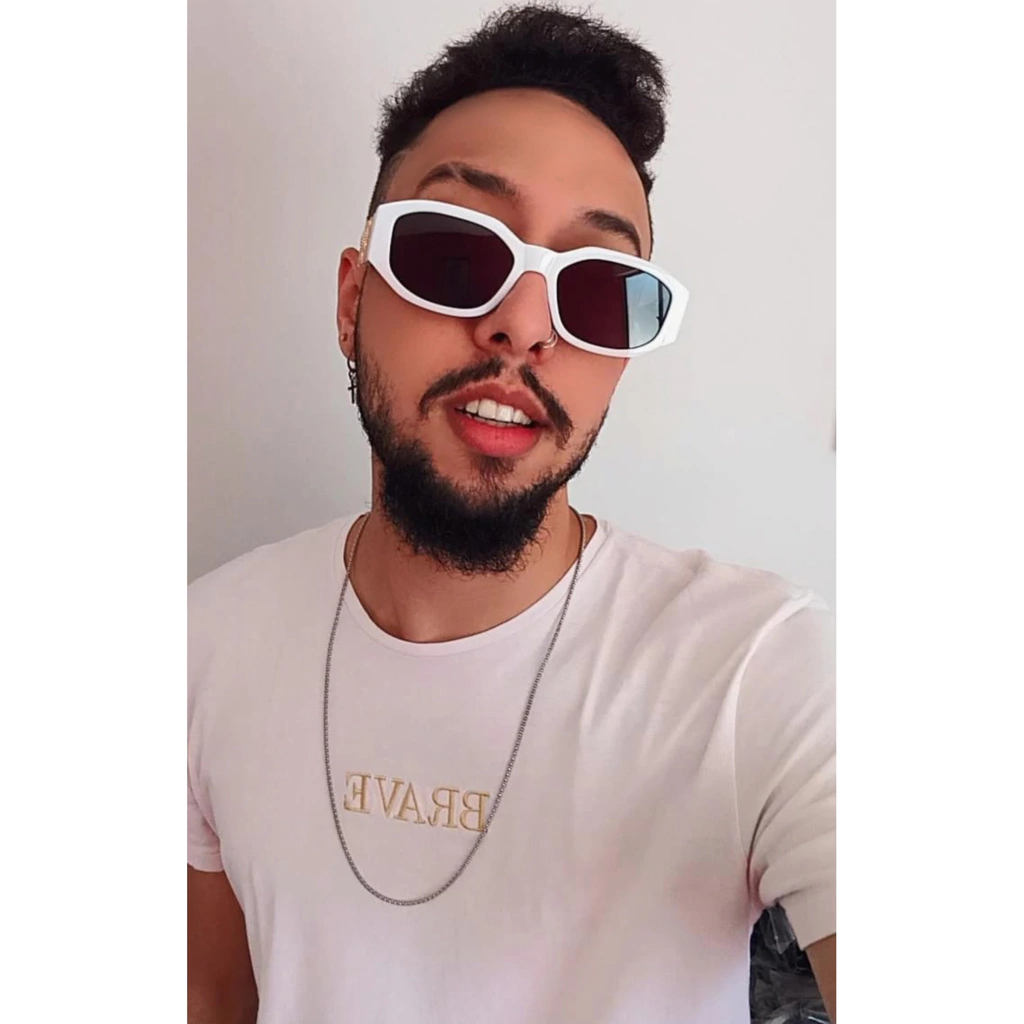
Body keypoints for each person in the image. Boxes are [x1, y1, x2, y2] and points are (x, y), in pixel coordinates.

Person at [187, 5, 836, 1023]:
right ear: (352, 300)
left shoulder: (760, 673)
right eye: (457, 254)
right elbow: (210, 993)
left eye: (599, 289)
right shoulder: (201, 645)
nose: (524, 325)